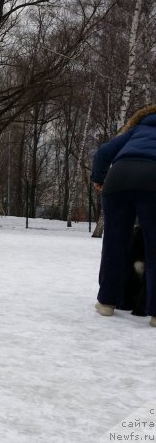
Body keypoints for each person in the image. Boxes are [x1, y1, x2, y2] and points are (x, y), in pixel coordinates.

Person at [91, 104, 156, 327]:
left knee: (114, 244)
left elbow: (102, 153)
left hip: (117, 181)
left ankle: (107, 302)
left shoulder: (134, 132)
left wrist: (99, 178)